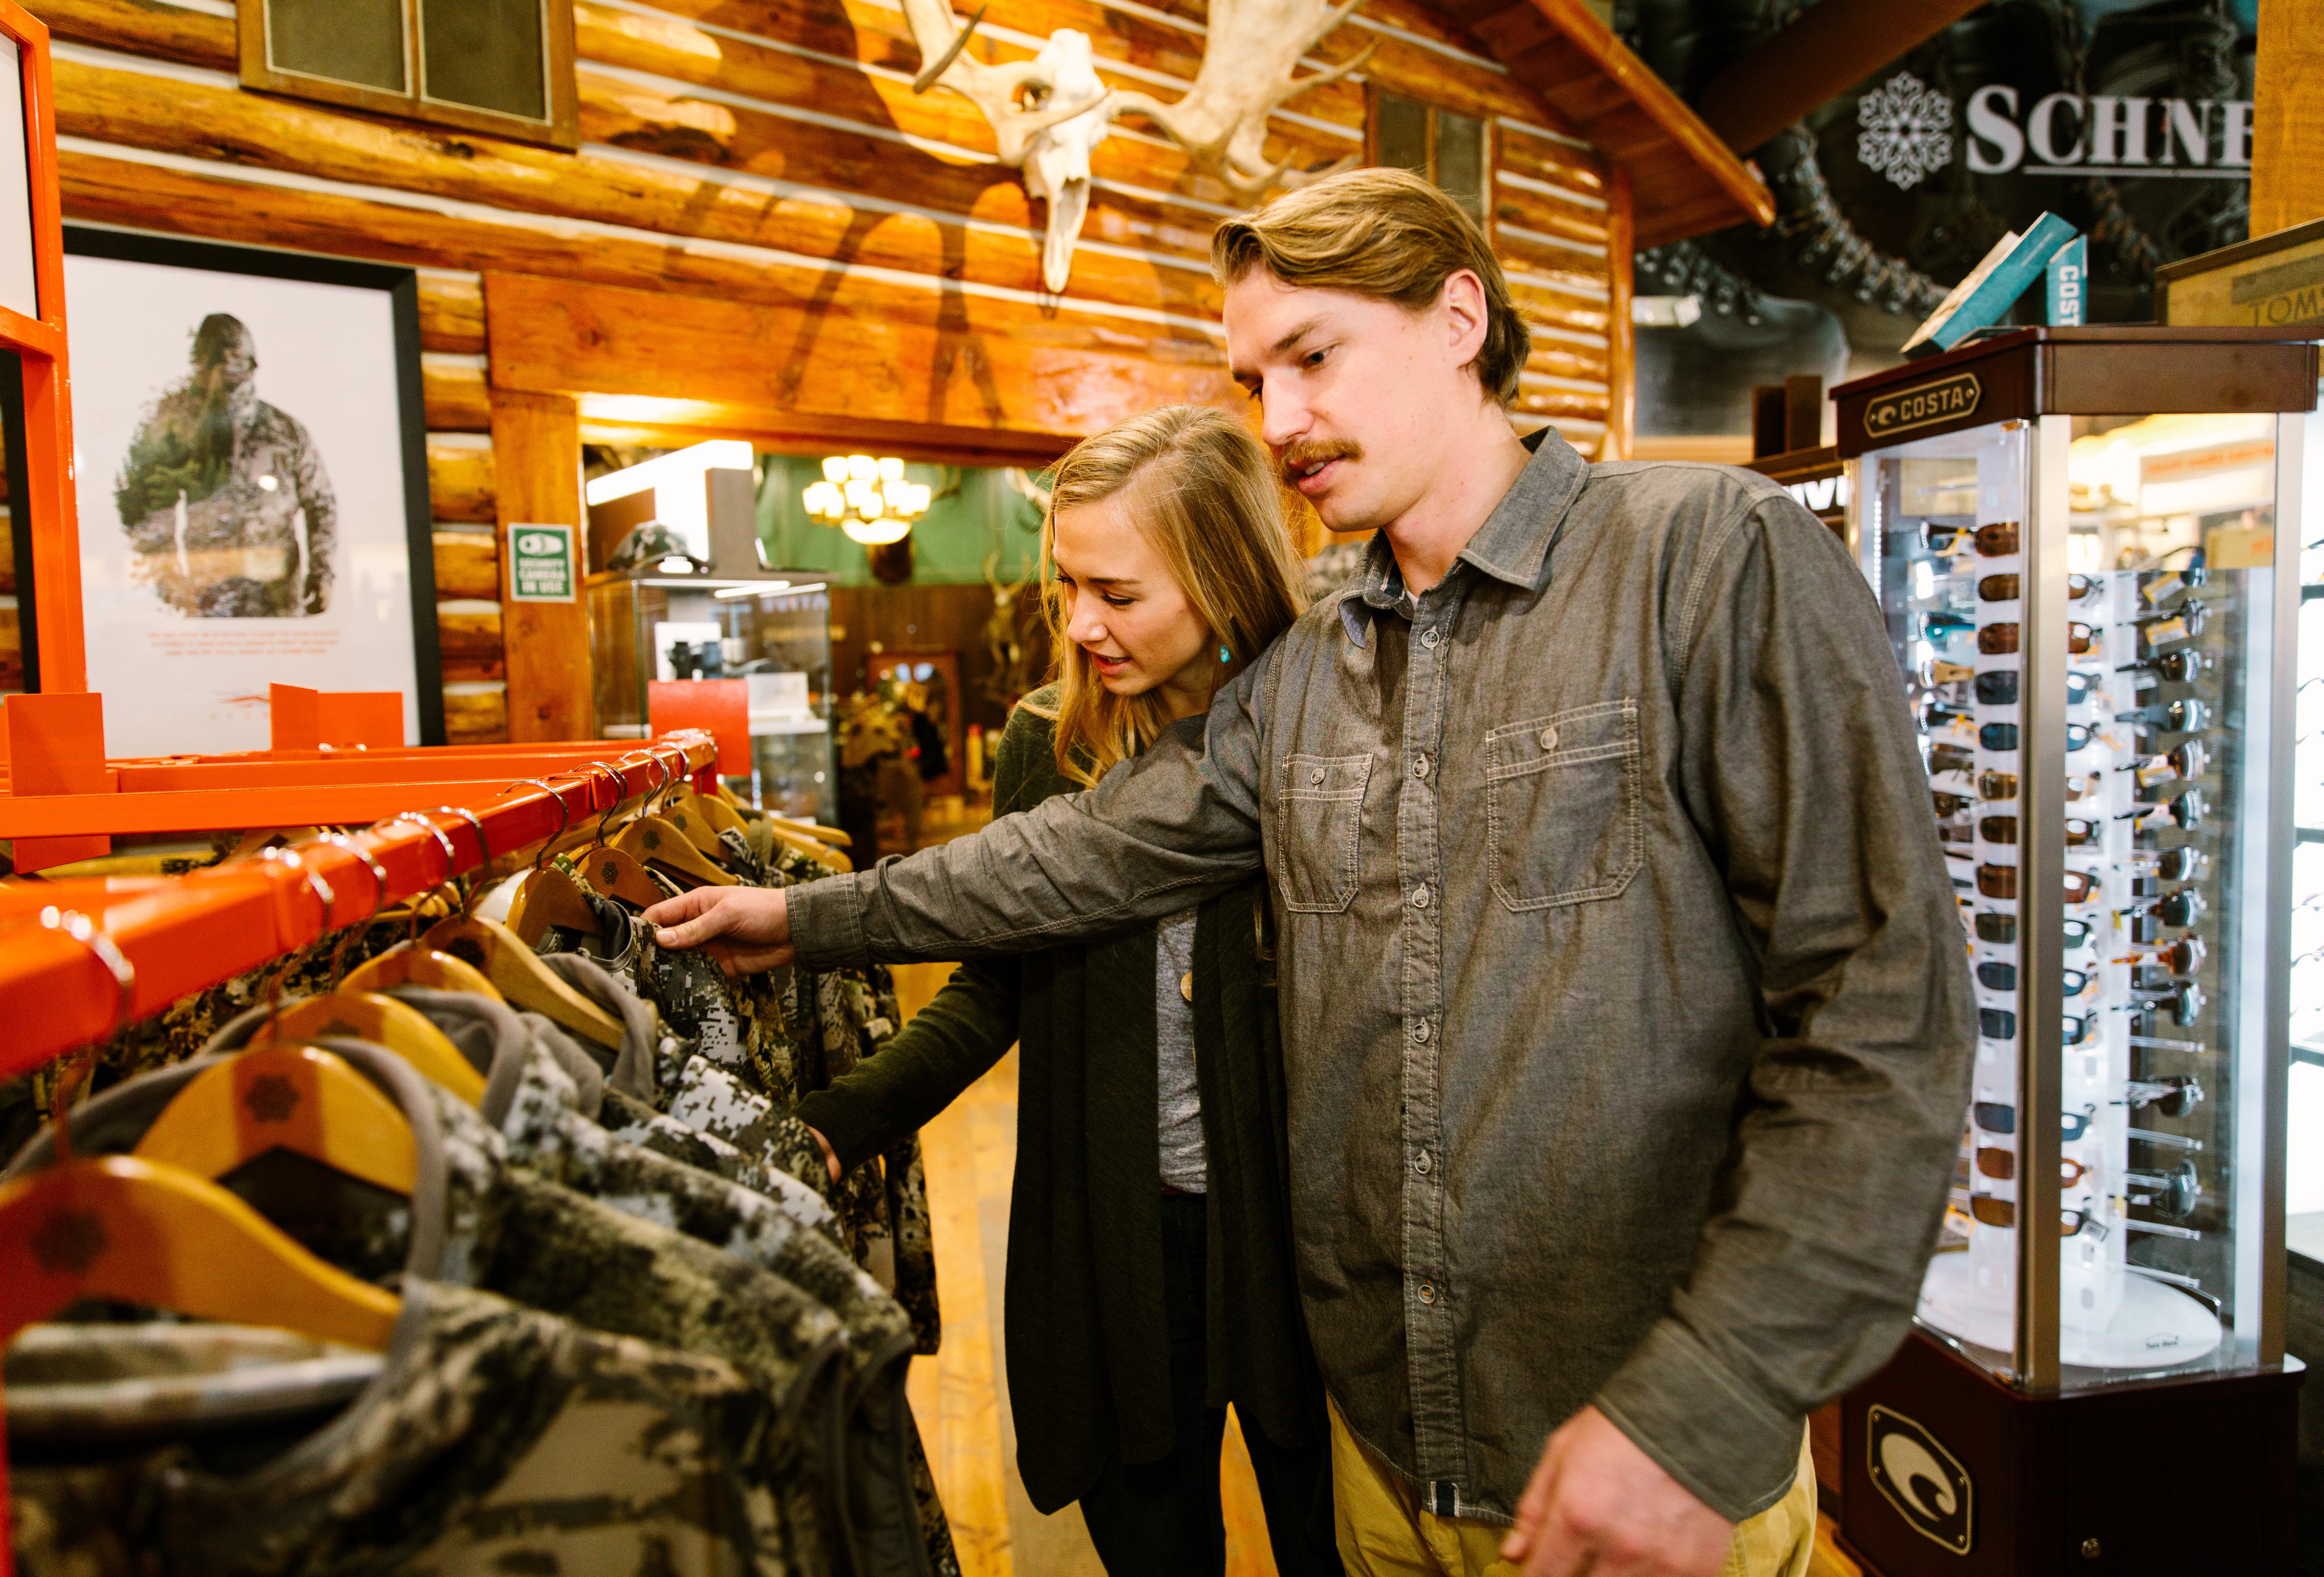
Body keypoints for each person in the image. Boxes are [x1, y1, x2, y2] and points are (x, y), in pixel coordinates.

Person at [647, 169, 1973, 1577]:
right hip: (1380, 1452)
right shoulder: (1311, 665)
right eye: (1252, 379)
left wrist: (1713, 1399)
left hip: (1629, 1460)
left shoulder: (1706, 559)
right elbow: (1085, 854)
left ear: (1459, 318)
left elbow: (1880, 1018)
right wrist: (803, 915)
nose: (1277, 423)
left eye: (1315, 357)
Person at [792, 406, 1337, 1577]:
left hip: (1293, 1235)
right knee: (1148, 1527)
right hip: (1116, 1230)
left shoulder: (1319, 732)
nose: (1080, 622)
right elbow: (995, 984)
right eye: (1067, 585)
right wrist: (847, 1120)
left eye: (1119, 592)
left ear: (1223, 580)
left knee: (1324, 1523)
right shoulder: (1050, 740)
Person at [115, 313, 336, 618]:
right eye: (218, 357)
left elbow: (321, 503)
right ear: (201, 363)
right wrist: (169, 582)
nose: (228, 365)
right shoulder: (181, 432)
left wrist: (323, 573)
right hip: (208, 602)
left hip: (278, 601)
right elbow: (154, 508)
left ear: (253, 362)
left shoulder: (286, 432)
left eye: (236, 356)